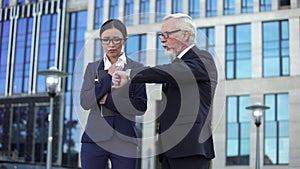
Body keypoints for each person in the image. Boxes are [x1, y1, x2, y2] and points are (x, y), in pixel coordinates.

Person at [112, 13, 218, 169]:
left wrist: (129, 74)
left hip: (190, 150)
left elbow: (169, 72)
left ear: (185, 35)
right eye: (161, 35)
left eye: (166, 34)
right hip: (169, 151)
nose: (162, 39)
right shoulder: (177, 66)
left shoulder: (202, 59)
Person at [80, 19, 147, 169]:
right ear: (101, 41)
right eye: (106, 40)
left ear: (124, 40)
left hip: (125, 140)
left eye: (116, 39)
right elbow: (85, 101)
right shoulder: (92, 68)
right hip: (94, 139)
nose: (111, 44)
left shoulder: (136, 68)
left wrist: (106, 99)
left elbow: (140, 106)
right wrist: (108, 77)